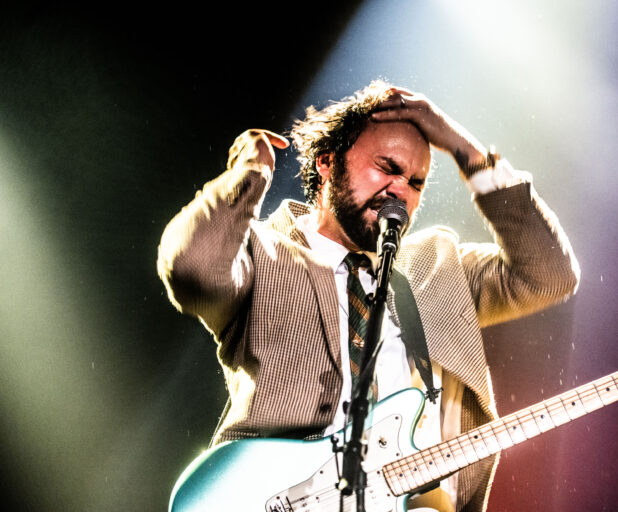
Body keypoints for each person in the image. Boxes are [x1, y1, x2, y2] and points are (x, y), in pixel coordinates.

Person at [157, 80, 580, 512]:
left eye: (416, 182)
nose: (401, 189)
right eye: (387, 167)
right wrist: (249, 177)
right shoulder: (261, 254)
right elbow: (191, 267)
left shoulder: (439, 265)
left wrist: (467, 153)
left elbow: (550, 275)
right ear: (327, 161)